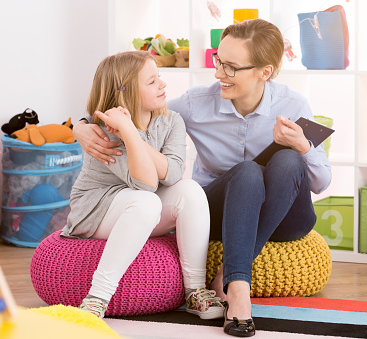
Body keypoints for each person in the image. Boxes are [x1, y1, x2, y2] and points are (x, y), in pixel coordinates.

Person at [73, 19, 332, 336]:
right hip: (223, 210)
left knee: (289, 159)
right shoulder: (197, 103)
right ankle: (238, 291)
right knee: (248, 172)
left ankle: (230, 270)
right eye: (218, 61)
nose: (219, 74)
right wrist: (82, 125)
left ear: (264, 72)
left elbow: (320, 183)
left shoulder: (294, 105)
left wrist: (302, 145)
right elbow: (133, 101)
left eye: (231, 67)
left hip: (285, 217)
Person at [61, 50, 224, 320]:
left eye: (159, 77)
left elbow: (173, 174)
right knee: (147, 201)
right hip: (96, 209)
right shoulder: (105, 129)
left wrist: (131, 133)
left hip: (138, 205)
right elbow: (146, 185)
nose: (163, 85)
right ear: (125, 92)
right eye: (152, 81)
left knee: (191, 191)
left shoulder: (171, 120)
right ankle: (97, 297)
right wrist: (126, 130)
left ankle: (195, 291)